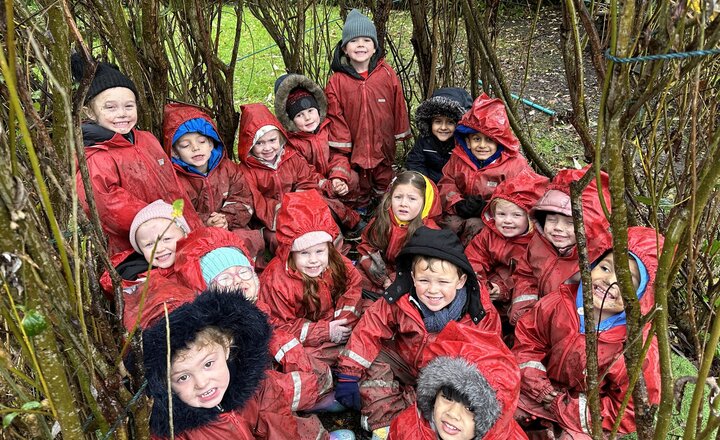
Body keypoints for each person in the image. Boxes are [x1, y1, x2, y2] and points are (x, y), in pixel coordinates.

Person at [334, 227, 501, 439]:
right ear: (412, 277)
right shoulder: (400, 297)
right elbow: (370, 327)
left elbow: (490, 359)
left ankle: (403, 414)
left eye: (443, 282)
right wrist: (349, 373)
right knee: (373, 356)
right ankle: (384, 424)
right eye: (424, 281)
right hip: (405, 361)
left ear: (460, 281)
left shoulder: (479, 313)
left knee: (444, 405)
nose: (432, 290)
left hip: (444, 375)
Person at [512, 226, 662, 439]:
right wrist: (538, 385)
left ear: (642, 295)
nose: (610, 282)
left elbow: (630, 407)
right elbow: (528, 341)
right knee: (504, 409)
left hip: (586, 415)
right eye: (605, 268)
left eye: (626, 279)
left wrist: (570, 408)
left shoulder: (637, 345)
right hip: (540, 391)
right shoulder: (559, 303)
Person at [142, 289, 354, 439]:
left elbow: (279, 424)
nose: (202, 382)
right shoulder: (176, 432)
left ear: (226, 346)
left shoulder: (252, 384)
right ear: (163, 382)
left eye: (208, 364)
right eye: (183, 377)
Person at [71, 54, 200, 255]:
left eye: (128, 106)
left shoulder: (146, 139)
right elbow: (109, 207)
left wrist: (187, 222)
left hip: (180, 230)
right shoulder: (96, 157)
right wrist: (166, 224)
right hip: (144, 248)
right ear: (89, 113)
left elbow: (172, 186)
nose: (122, 113)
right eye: (110, 107)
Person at [257, 190, 362, 402]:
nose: (314, 260)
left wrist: (344, 318)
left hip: (333, 322)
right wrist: (325, 331)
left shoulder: (335, 261)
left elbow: (352, 283)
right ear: (290, 251)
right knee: (305, 359)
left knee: (367, 322)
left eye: (319, 252)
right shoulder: (276, 280)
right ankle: (325, 389)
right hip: (308, 337)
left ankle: (346, 374)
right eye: (304, 253)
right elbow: (279, 326)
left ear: (329, 248)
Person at [325, 9, 411, 208]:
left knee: (385, 179)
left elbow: (398, 104)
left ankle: (384, 209)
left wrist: (400, 132)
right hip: (356, 146)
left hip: (383, 144)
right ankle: (362, 209)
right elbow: (335, 115)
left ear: (375, 48)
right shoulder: (337, 81)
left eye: (367, 40)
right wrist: (343, 145)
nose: (361, 44)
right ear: (345, 48)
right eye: (354, 41)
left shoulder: (386, 74)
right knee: (360, 183)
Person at [236, 103, 345, 254]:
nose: (267, 148)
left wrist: (300, 199)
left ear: (280, 138)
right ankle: (293, 267)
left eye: (272, 140)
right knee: (279, 240)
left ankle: (337, 258)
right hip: (271, 219)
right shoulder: (246, 171)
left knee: (324, 221)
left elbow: (306, 179)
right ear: (249, 145)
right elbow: (256, 200)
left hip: (299, 207)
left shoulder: (291, 157)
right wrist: (282, 208)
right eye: (259, 143)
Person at [509, 167, 612, 325]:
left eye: (570, 223)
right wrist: (524, 310)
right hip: (534, 318)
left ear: (590, 226)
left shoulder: (600, 258)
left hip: (567, 326)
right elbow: (526, 274)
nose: (558, 227)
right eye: (551, 220)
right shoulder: (539, 243)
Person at [389, 321, 527, 440]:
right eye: (447, 397)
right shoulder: (407, 427)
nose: (453, 414)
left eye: (470, 408)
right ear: (433, 395)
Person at [162, 102, 264, 259]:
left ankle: (247, 272)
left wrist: (226, 219)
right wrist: (206, 222)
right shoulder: (175, 180)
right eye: (185, 145)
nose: (195, 148)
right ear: (175, 152)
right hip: (199, 234)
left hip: (231, 226)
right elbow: (179, 213)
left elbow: (243, 198)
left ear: (211, 144)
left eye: (201, 142)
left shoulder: (228, 168)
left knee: (250, 239)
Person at [274, 73, 364, 235]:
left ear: (318, 110)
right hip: (312, 185)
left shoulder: (327, 128)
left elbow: (338, 154)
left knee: (352, 179)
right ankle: (343, 223)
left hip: (332, 177)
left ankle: (354, 210)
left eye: (310, 111)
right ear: (290, 119)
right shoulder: (292, 142)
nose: (307, 118)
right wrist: (326, 185)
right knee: (320, 202)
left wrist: (338, 177)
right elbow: (304, 172)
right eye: (299, 115)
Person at [437, 93, 530, 245]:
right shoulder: (459, 157)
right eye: (476, 139)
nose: (482, 145)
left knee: (477, 228)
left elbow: (522, 196)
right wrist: (457, 203)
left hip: (494, 217)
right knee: (449, 225)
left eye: (489, 140)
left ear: (500, 142)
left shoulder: (514, 164)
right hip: (461, 209)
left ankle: (472, 263)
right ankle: (446, 259)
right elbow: (447, 182)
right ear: (467, 141)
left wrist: (487, 207)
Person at [465, 169, 548, 328]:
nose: (507, 221)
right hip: (491, 285)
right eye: (502, 214)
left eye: (516, 215)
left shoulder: (536, 244)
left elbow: (530, 278)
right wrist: (479, 283)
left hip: (516, 291)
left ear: (530, 217)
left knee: (519, 316)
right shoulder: (489, 234)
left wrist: (502, 288)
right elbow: (474, 257)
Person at [356, 171, 442, 300]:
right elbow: (366, 246)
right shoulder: (382, 220)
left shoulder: (429, 233)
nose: (403, 203)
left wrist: (394, 279)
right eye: (398, 197)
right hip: (379, 273)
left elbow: (425, 269)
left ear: (426, 203)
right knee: (353, 277)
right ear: (390, 198)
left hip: (406, 277)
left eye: (412, 199)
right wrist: (380, 275)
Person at [405, 87, 473, 183]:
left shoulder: (464, 143)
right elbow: (415, 162)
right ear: (430, 123)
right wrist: (426, 185)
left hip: (454, 187)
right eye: (438, 122)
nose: (443, 127)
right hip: (429, 184)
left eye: (450, 122)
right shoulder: (425, 139)